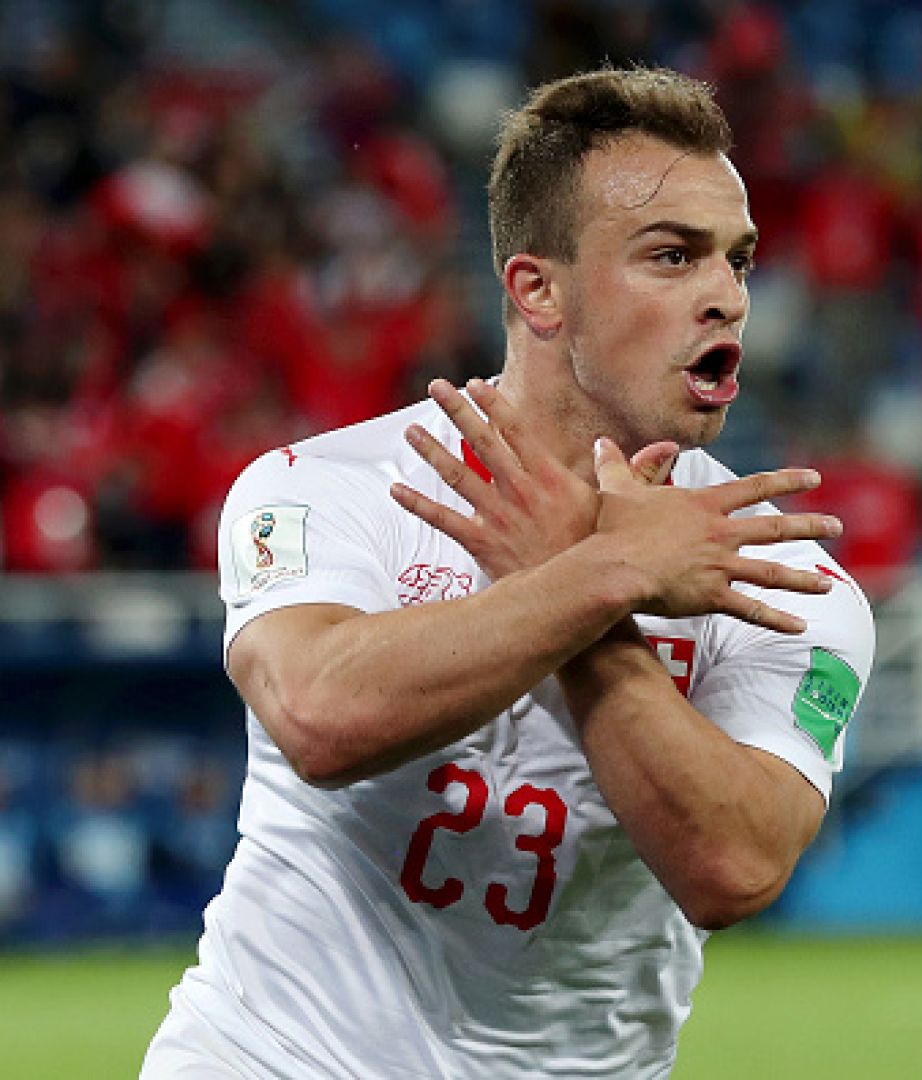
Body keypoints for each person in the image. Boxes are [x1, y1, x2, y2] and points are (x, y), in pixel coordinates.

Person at [142, 66, 874, 1079]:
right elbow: (316, 714)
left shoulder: (780, 572)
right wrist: (605, 570)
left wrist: (585, 589)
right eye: (672, 257)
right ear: (539, 290)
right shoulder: (325, 488)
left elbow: (736, 868)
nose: (725, 296)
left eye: (738, 262)